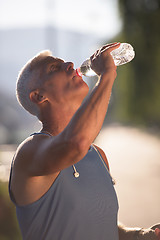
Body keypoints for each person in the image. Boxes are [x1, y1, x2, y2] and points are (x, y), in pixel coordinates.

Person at [9, 42, 160, 240]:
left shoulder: (98, 154)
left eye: (65, 62)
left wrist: (142, 235)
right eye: (54, 67)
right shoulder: (29, 153)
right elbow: (74, 144)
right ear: (39, 96)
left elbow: (102, 227)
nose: (70, 65)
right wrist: (107, 75)